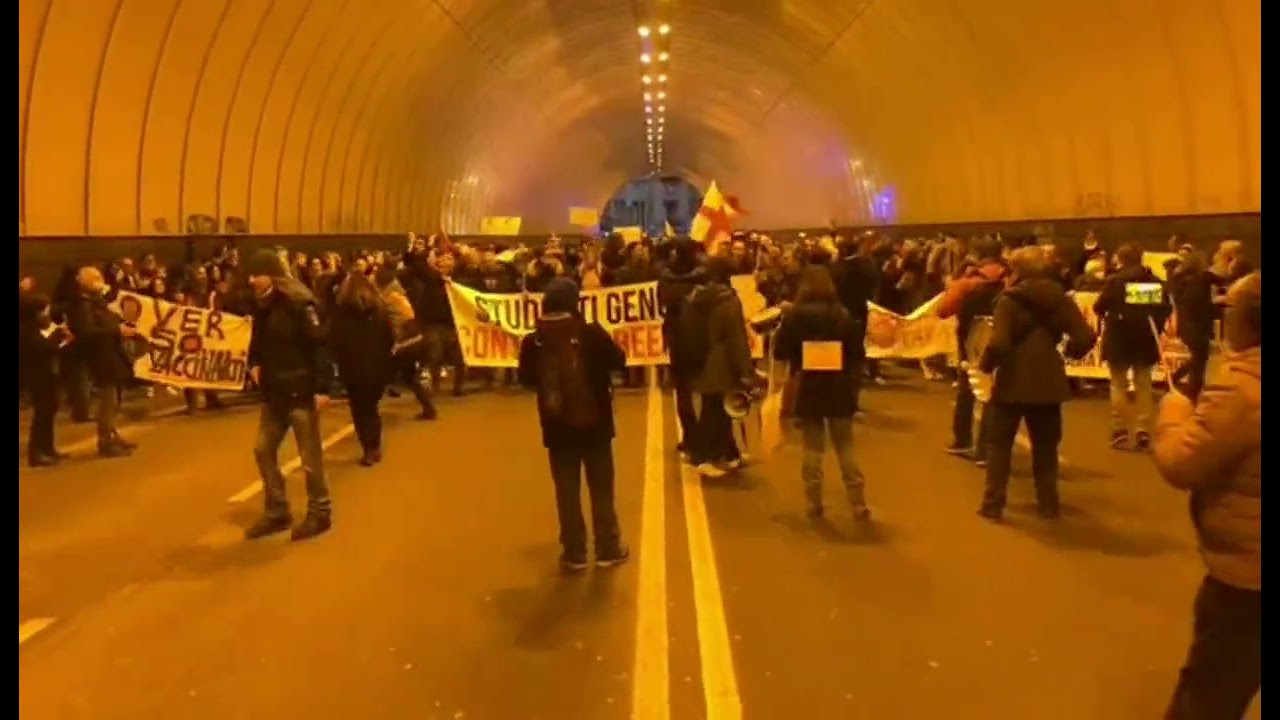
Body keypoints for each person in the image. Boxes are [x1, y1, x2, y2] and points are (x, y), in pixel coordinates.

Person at [1153, 272, 1260, 720]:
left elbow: (1183, 463)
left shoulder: (1243, 388)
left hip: (1247, 578)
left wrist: (1175, 413)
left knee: (1209, 696)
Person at [517, 277, 629, 572]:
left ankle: (574, 552)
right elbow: (619, 360)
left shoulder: (534, 340)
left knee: (566, 490)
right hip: (596, 424)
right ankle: (607, 547)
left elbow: (526, 379)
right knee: (601, 487)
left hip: (556, 427)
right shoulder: (590, 333)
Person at [977, 246, 1095, 521]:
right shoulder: (1062, 299)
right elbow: (1084, 336)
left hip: (1012, 381)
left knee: (999, 445)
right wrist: (1068, 354)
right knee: (1046, 447)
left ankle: (993, 504)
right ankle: (1048, 503)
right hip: (1049, 380)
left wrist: (985, 365)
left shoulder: (1008, 300)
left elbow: (1000, 342)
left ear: (1018, 271)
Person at [243, 249, 334, 541]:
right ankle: (277, 510)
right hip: (275, 393)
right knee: (262, 449)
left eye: (257, 274)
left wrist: (322, 388)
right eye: (251, 275)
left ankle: (320, 513)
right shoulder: (262, 306)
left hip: (301, 391)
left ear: (272, 275)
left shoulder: (299, 303)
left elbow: (320, 346)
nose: (251, 280)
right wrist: (254, 363)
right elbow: (258, 341)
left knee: (310, 458)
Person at [771, 265, 870, 522]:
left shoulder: (794, 317)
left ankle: (814, 502)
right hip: (837, 386)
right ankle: (858, 502)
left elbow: (780, 352)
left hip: (808, 385)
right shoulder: (843, 316)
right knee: (845, 446)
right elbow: (858, 355)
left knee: (812, 448)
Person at [1093, 243, 1172, 450]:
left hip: (1119, 337)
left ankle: (1119, 429)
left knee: (1118, 384)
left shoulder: (1115, 282)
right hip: (1145, 337)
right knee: (1144, 384)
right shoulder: (1155, 282)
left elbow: (1098, 306)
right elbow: (1165, 307)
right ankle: (1143, 429)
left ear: (1121, 259)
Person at [681, 256, 755, 478]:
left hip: (702, 358)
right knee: (715, 413)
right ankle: (703, 457)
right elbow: (736, 339)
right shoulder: (728, 300)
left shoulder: (696, 298)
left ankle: (723, 453)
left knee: (713, 408)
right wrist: (746, 372)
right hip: (722, 362)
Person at [936, 236, 1006, 465]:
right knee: (994, 394)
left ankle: (962, 439)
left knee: (968, 389)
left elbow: (943, 309)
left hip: (971, 341)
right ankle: (987, 448)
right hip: (1002, 339)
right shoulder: (1009, 278)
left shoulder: (969, 282)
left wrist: (955, 283)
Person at [66, 265, 139, 458]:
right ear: (84, 282)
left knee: (115, 398)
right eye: (95, 278)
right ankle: (105, 441)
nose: (100, 281)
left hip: (110, 354)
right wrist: (117, 331)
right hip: (101, 357)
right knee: (109, 400)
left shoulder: (95, 302)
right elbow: (87, 332)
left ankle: (112, 434)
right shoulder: (81, 305)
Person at [329, 272, 395, 467]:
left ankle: (367, 449)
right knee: (372, 409)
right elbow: (389, 337)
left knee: (359, 411)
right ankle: (375, 446)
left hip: (353, 369)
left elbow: (335, 341)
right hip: (377, 368)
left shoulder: (341, 312)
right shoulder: (380, 310)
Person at [656, 238, 703, 455]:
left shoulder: (666, 278)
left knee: (682, 391)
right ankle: (709, 436)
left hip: (677, 338)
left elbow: (662, 303)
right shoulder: (703, 278)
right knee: (709, 392)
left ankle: (691, 436)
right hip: (702, 338)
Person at [375, 265, 436, 420]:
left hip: (405, 341)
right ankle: (428, 408)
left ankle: (372, 407)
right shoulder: (399, 294)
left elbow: (383, 318)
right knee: (409, 376)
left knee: (384, 371)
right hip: (414, 338)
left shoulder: (388, 297)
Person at [19, 293, 72, 467]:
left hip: (47, 375)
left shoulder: (34, 328)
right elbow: (43, 348)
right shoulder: (26, 331)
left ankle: (48, 448)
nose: (46, 314)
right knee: (42, 414)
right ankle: (36, 453)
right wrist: (58, 337)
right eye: (44, 311)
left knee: (49, 412)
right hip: (37, 377)